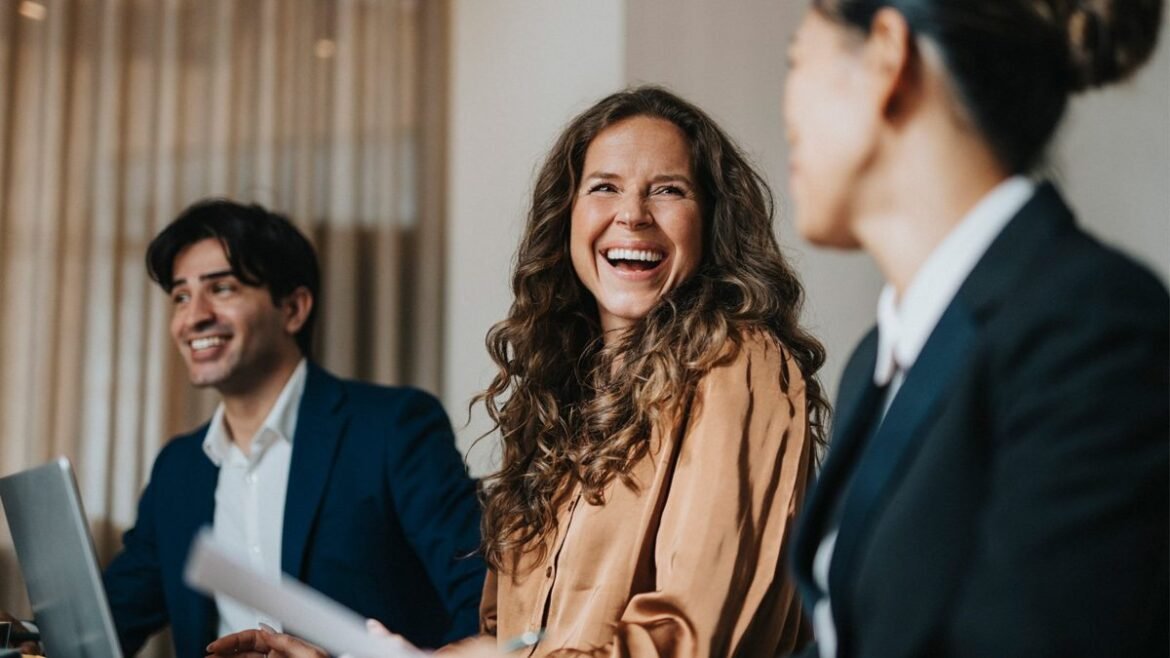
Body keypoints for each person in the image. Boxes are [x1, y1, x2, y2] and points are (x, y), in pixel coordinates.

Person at [210, 86, 830, 658]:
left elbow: (689, 642)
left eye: (669, 190)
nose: (633, 215)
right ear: (567, 219)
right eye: (604, 187)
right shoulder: (562, 400)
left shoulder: (738, 364)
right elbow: (510, 645)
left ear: (712, 222)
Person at [782, 1, 1168, 656]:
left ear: (886, 56)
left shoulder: (1094, 329)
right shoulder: (880, 357)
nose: (785, 106)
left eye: (796, 60)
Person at [10, 200, 484, 658]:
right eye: (180, 295)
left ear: (294, 309)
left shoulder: (392, 428)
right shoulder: (179, 469)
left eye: (222, 288)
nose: (193, 316)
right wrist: (28, 638)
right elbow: (103, 627)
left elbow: (480, 603)